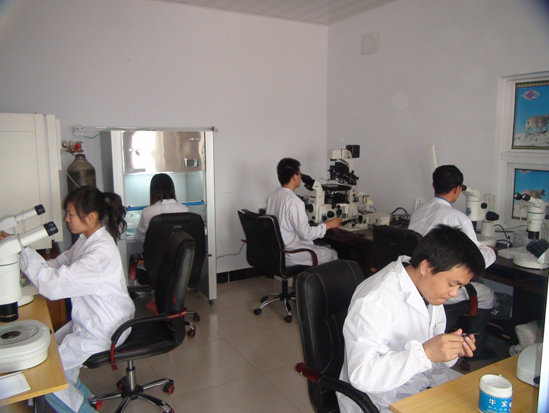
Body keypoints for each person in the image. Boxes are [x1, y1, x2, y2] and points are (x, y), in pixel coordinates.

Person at [338, 225, 484, 413]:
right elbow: (363, 375)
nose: (455, 294)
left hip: (420, 382)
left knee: (479, 399)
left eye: (460, 287)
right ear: (426, 267)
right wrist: (425, 353)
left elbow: (431, 348)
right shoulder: (375, 299)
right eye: (451, 284)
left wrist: (450, 349)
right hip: (380, 399)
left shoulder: (428, 290)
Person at [19, 186, 135, 413]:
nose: (66, 219)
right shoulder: (87, 239)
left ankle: (82, 409)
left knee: (46, 375)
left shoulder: (99, 254)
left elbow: (54, 286)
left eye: (70, 214)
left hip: (105, 329)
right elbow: (62, 262)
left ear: (90, 217)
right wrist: (28, 272)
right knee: (50, 351)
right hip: (94, 320)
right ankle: (84, 396)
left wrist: (23, 252)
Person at [408, 165, 497, 358]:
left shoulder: (418, 212)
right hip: (437, 285)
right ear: (458, 189)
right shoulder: (457, 218)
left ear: (434, 185)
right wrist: (491, 252)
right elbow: (474, 262)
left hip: (417, 282)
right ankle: (473, 350)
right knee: (487, 294)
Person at [266, 158, 341, 266]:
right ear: (294, 176)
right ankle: (313, 277)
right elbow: (306, 234)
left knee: (320, 248)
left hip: (276, 251)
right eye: (300, 174)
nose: (301, 177)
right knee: (332, 253)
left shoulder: (272, 196)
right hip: (291, 253)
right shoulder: (295, 201)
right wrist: (328, 225)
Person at [133, 173, 189, 242]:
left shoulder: (147, 212)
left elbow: (138, 237)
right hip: (179, 249)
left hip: (155, 249)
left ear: (153, 191)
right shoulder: (184, 209)